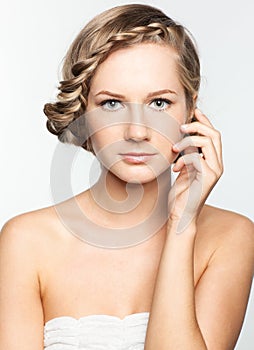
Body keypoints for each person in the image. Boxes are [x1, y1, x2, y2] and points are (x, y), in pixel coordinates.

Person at [0, 3, 253, 349]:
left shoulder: (231, 238)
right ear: (83, 111)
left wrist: (181, 225)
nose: (137, 131)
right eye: (111, 104)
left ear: (191, 109)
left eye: (159, 103)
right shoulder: (26, 242)